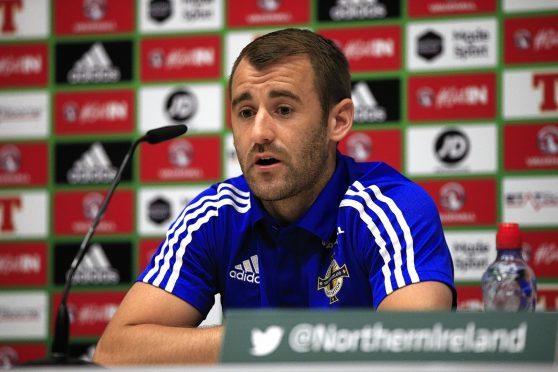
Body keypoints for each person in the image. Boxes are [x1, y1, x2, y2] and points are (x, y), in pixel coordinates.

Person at [93, 28, 455, 365]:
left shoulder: (389, 208)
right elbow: (116, 350)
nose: (259, 132)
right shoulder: (216, 215)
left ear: (338, 121)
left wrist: (278, 342)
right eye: (246, 112)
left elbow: (413, 345)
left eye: (284, 109)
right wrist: (262, 340)